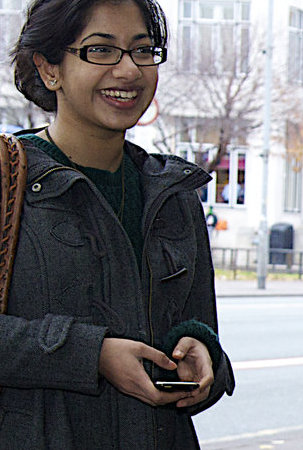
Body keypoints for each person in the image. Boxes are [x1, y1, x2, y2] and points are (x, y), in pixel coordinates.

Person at [3, 0, 234, 448]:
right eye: (100, 50)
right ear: (49, 68)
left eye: (142, 50)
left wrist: (201, 355)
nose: (128, 70)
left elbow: (201, 327)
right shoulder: (9, 182)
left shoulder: (174, 195)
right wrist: (92, 355)